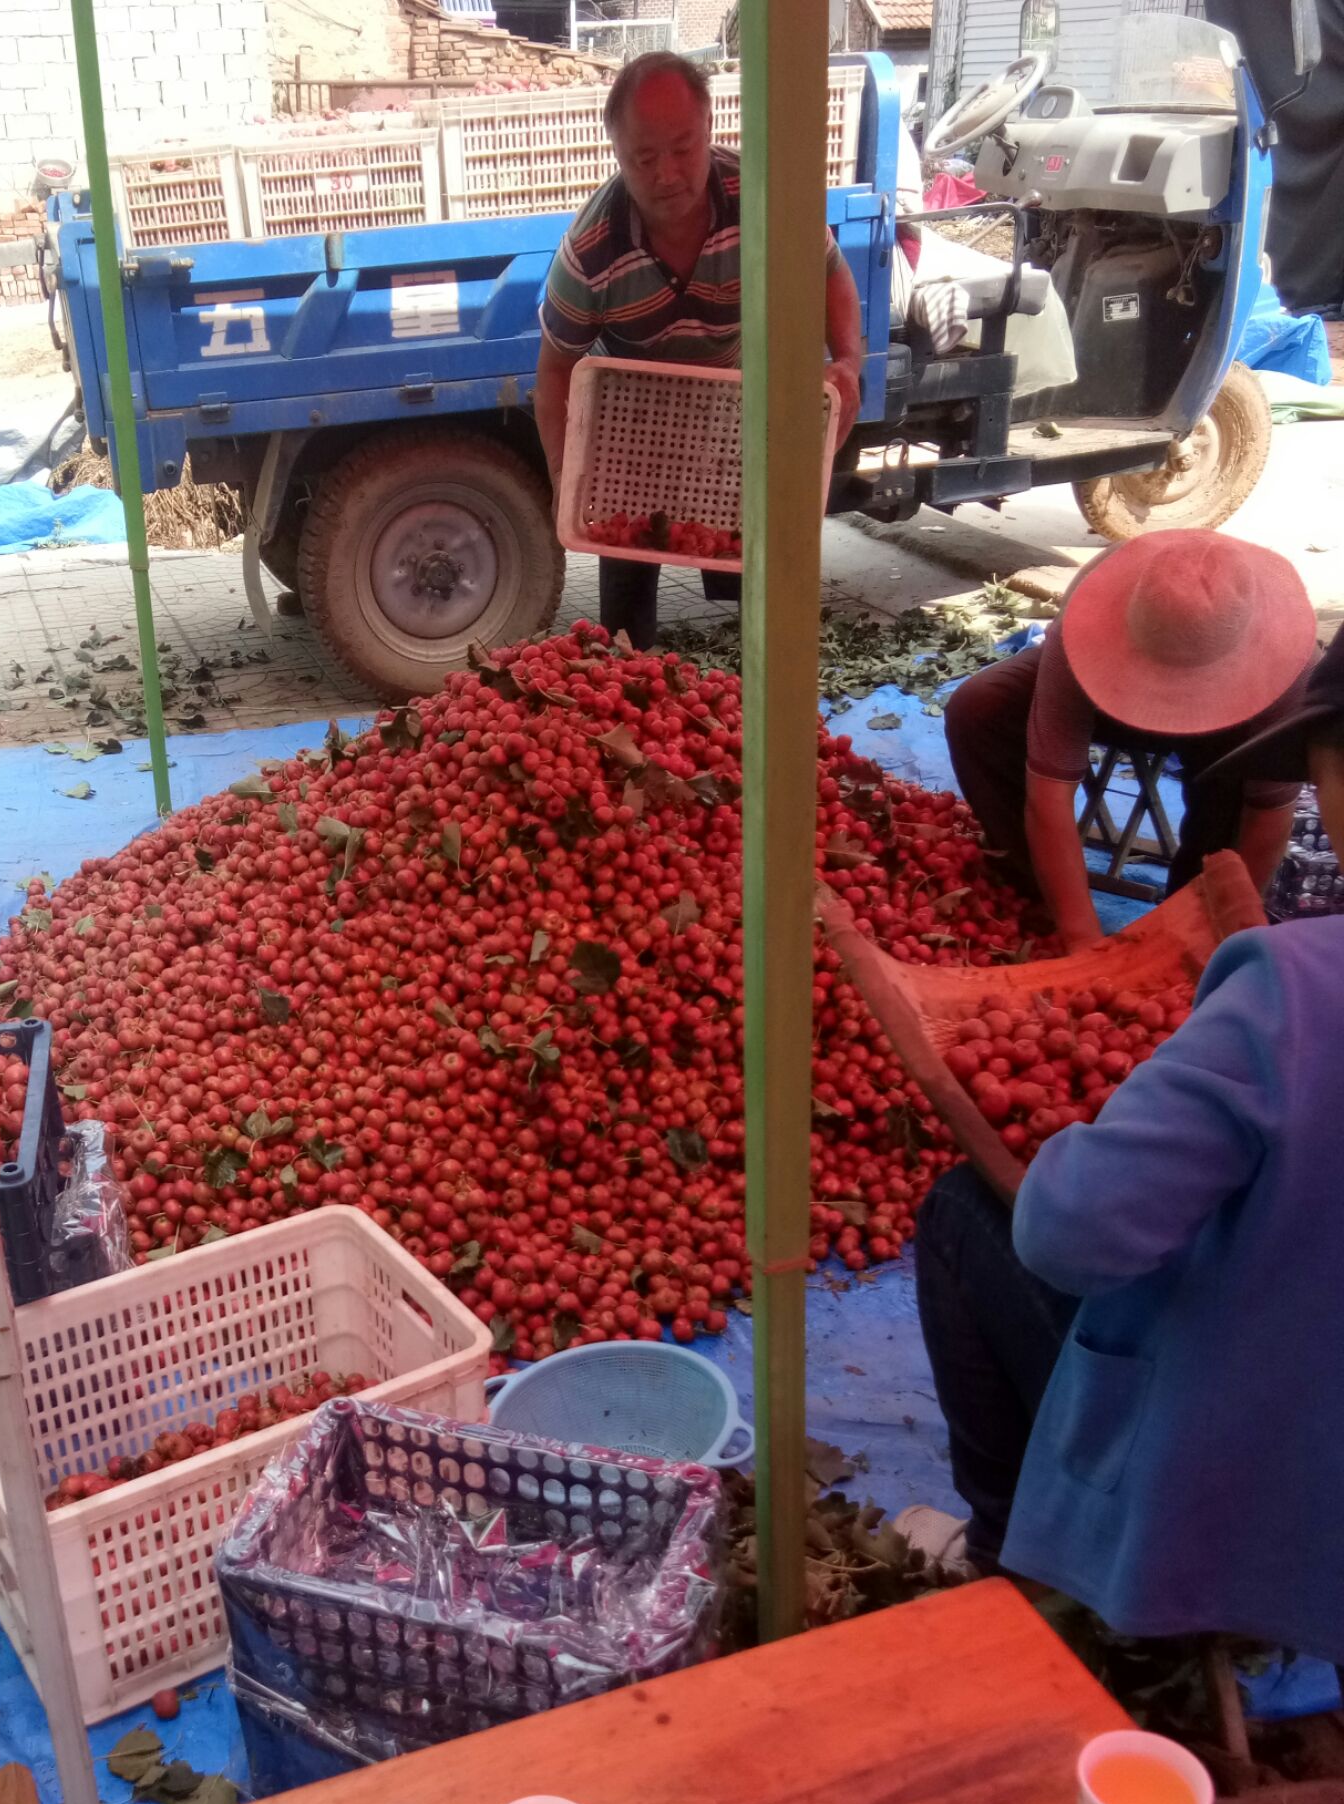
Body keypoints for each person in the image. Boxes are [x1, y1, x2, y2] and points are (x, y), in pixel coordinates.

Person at [915, 622, 1344, 1660]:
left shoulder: (1291, 993)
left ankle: (1011, 1557)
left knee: (964, 1219)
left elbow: (1071, 1235)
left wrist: (1080, 1139)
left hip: (1261, 1505)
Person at [535, 49, 864, 651]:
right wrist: (567, 481)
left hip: (734, 416)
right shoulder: (590, 253)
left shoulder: (764, 202)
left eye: (683, 149)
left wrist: (846, 361)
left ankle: (758, 708)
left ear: (710, 127)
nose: (667, 173)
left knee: (761, 587)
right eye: (645, 157)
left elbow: (829, 273)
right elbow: (555, 372)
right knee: (625, 628)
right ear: (618, 154)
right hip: (634, 433)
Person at [943, 532, 1319, 953]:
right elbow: (1049, 794)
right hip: (1103, 692)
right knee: (978, 707)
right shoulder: (1083, 629)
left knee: (1232, 783)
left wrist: (1223, 937)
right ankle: (1032, 893)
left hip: (1226, 728)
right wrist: (1081, 938)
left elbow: (1267, 813)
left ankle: (1188, 922)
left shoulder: (1289, 667)